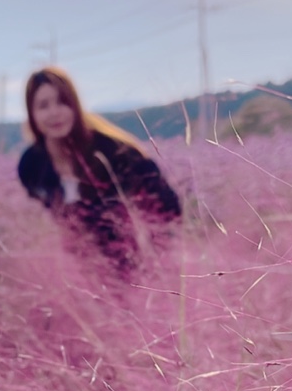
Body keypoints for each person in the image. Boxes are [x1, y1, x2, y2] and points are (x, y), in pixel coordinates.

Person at [17, 67, 181, 271]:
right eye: (43, 106)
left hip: (133, 267)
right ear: (31, 115)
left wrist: (156, 258)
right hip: (74, 271)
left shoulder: (114, 152)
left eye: (62, 102)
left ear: (75, 105)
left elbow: (168, 208)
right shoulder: (31, 165)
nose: (54, 113)